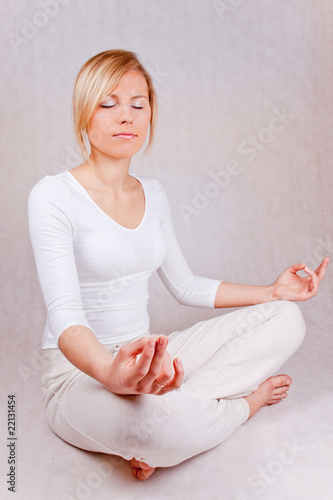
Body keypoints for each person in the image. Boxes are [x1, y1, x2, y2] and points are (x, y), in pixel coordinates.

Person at [28, 49, 329, 481]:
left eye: (138, 103)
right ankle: (242, 406)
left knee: (288, 319)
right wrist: (112, 376)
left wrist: (273, 292)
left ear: (151, 113)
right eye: (108, 103)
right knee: (148, 426)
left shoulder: (154, 193)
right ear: (84, 113)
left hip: (150, 354)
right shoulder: (52, 195)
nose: (126, 116)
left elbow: (186, 286)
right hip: (79, 375)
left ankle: (178, 418)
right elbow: (65, 316)